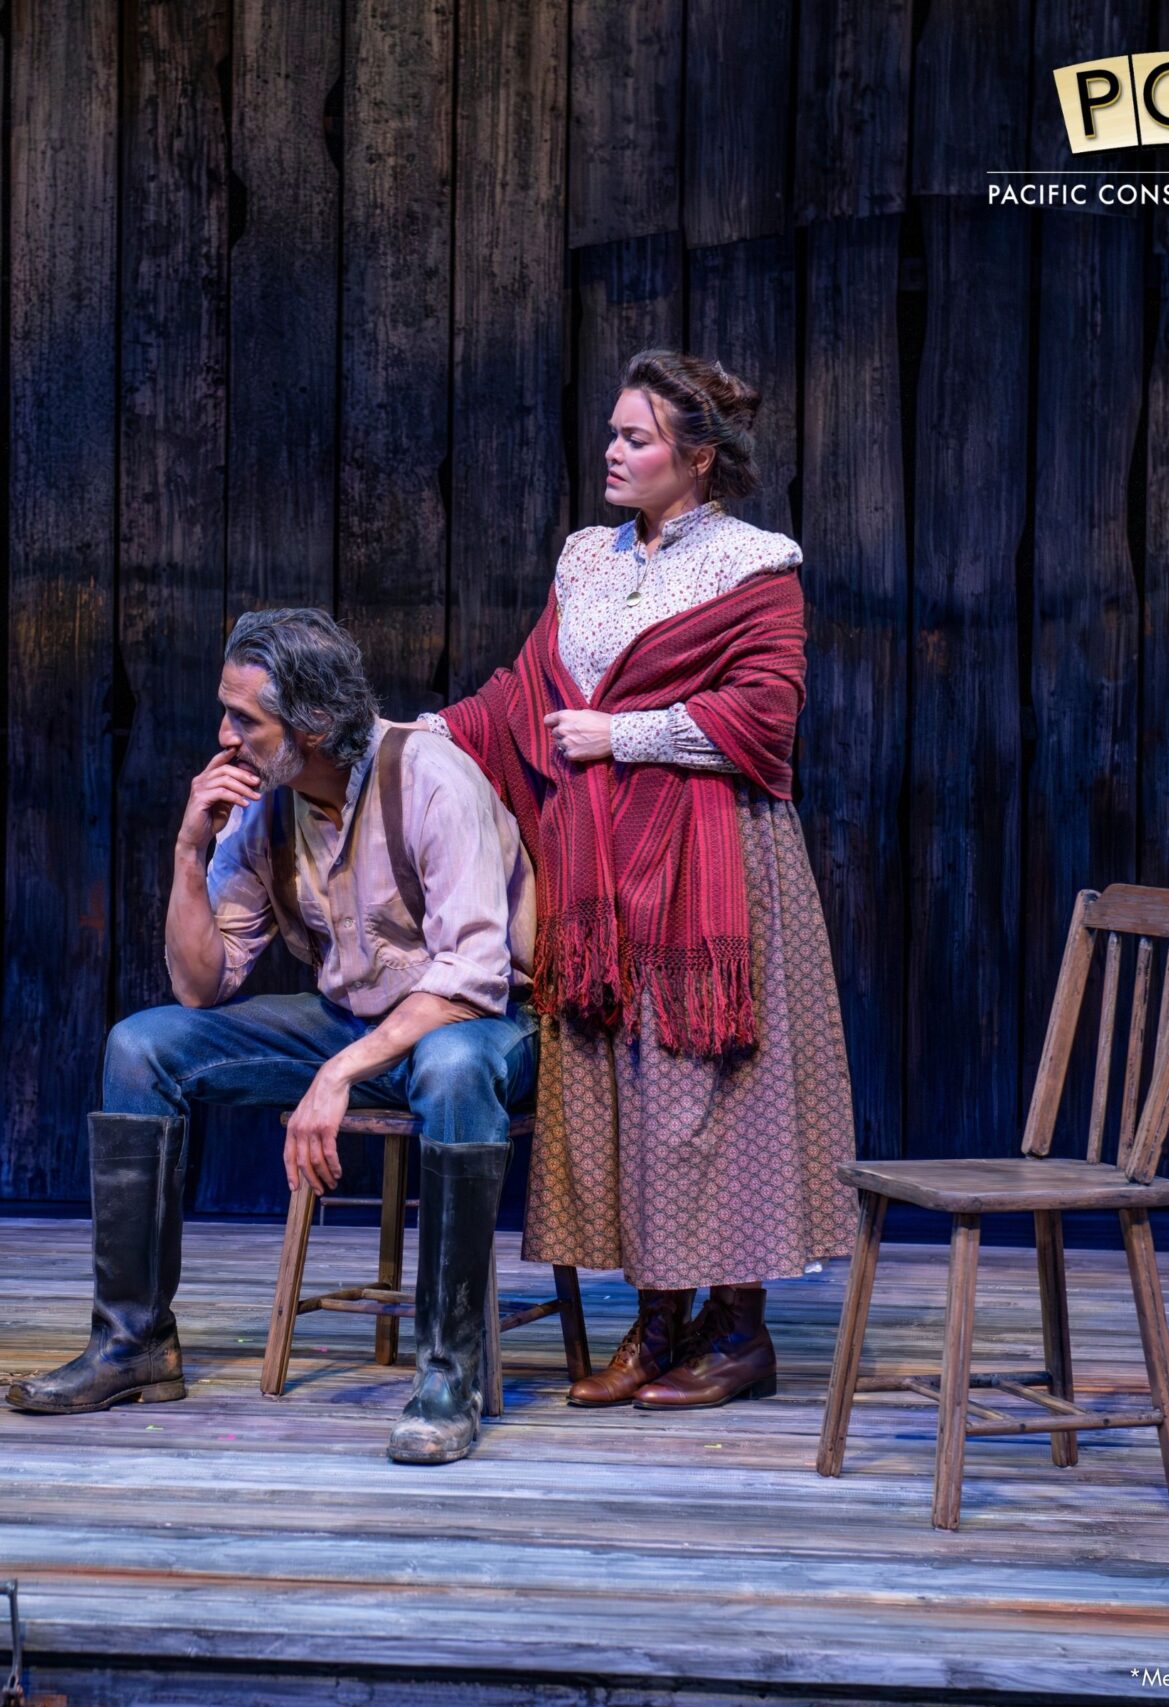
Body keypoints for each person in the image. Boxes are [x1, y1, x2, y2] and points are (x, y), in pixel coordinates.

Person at [425, 349, 856, 1412]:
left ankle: (739, 1330)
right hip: (603, 871)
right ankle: (658, 1321)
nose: (611, 452)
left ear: (696, 458)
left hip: (714, 869)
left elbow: (765, 714)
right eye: (613, 433)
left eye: (636, 438)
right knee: (627, 1094)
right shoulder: (587, 558)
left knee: (709, 1096)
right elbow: (525, 693)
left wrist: (622, 733)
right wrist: (422, 734)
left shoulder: (755, 566)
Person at [5, 608, 536, 1465]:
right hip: (353, 1020)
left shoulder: (429, 777)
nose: (225, 735)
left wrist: (336, 1075)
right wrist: (188, 850)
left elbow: (472, 978)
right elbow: (201, 983)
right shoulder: (266, 807)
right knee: (141, 1046)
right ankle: (134, 1343)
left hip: (479, 1028)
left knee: (449, 1067)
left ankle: (448, 1375)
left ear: (312, 724)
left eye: (244, 718)